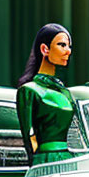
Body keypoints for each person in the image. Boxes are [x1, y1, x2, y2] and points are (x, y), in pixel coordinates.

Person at [16, 23, 75, 165]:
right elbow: (30, 140)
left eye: (69, 46)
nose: (68, 51)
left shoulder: (64, 92)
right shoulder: (29, 91)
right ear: (45, 49)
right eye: (62, 45)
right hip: (44, 163)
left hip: (68, 160)